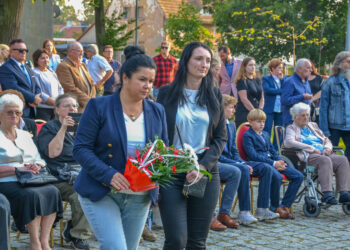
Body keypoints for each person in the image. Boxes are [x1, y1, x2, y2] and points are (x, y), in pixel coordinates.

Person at [73, 45, 168, 250]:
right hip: (101, 190)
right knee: (116, 247)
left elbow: (162, 152)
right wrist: (109, 174)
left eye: (151, 81)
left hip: (140, 195)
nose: (148, 86)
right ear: (125, 77)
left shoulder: (157, 110)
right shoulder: (98, 106)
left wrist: (164, 178)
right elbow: (80, 149)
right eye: (142, 80)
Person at [157, 42, 226, 249]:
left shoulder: (214, 95)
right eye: (198, 59)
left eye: (207, 60)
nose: (204, 64)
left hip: (203, 173)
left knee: (197, 242)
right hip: (171, 172)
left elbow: (220, 138)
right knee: (177, 239)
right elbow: (158, 134)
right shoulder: (166, 93)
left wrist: (203, 167)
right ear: (185, 61)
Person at [0, 92, 63, 250]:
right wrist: (17, 169)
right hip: (7, 181)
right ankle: (34, 242)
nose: (14, 115)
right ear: (0, 114)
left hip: (31, 178)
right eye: (9, 112)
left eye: (17, 112)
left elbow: (39, 158)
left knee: (53, 192)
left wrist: (38, 165)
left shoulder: (24, 135)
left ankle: (44, 241)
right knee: (32, 195)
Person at [210, 95, 277, 231]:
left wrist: (241, 161)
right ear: (222, 108)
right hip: (220, 162)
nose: (234, 110)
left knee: (265, 168)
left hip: (234, 161)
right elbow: (217, 155)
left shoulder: (231, 125)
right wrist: (241, 165)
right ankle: (244, 212)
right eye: (231, 107)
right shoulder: (214, 125)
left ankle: (262, 209)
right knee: (243, 169)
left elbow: (234, 150)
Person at [37, 94, 92, 249]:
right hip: (58, 179)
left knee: (103, 188)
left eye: (74, 105)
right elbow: (53, 153)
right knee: (82, 194)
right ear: (57, 110)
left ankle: (74, 227)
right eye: (67, 105)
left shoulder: (82, 129)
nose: (72, 108)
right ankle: (77, 236)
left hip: (80, 175)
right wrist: (63, 128)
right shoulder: (50, 128)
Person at [284, 102, 350, 204]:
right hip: (309, 157)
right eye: (303, 115)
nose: (306, 117)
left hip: (324, 154)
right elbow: (288, 142)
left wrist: (328, 147)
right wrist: (311, 148)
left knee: (342, 160)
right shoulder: (291, 128)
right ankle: (327, 194)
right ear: (295, 117)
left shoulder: (313, 125)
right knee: (325, 160)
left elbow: (325, 139)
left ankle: (344, 193)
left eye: (307, 115)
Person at [243, 109, 304, 219]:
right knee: (276, 177)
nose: (262, 124)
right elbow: (253, 155)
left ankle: (284, 206)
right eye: (258, 122)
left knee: (298, 176)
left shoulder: (266, 134)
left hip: (274, 162)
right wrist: (274, 163)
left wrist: (280, 161)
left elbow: (272, 151)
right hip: (260, 164)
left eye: (263, 121)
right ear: (251, 122)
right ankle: (274, 206)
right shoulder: (248, 135)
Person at [0, 39, 42, 118]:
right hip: (17, 112)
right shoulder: (5, 68)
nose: (24, 52)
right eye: (20, 50)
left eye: (25, 50)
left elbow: (36, 86)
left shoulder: (27, 67)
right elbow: (13, 88)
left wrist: (37, 97)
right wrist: (32, 98)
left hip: (32, 110)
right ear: (11, 51)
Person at [320, 51, 350, 162]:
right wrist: (324, 131)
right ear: (339, 64)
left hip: (349, 126)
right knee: (330, 156)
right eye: (348, 62)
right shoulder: (329, 83)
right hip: (334, 127)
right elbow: (323, 108)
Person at [56, 41, 96, 112]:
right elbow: (69, 89)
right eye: (79, 51)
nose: (82, 54)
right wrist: (89, 101)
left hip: (89, 107)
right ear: (70, 51)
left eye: (82, 51)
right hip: (76, 109)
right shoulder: (63, 66)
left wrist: (93, 101)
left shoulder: (82, 65)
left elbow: (91, 84)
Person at [32, 49, 64, 121]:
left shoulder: (51, 72)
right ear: (36, 60)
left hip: (56, 108)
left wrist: (60, 102)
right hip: (43, 109)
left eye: (47, 57)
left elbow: (60, 88)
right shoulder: (35, 73)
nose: (45, 60)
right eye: (42, 58)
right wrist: (53, 102)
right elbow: (38, 90)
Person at [281, 58, 312, 126]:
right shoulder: (290, 82)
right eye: (308, 68)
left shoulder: (306, 82)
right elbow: (284, 100)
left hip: (306, 122)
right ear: (300, 68)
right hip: (292, 123)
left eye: (311, 68)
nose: (311, 70)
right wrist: (302, 97)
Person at [262, 58, 286, 149]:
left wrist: (282, 80)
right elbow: (268, 90)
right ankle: (266, 148)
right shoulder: (266, 78)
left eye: (281, 68)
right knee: (267, 129)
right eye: (279, 68)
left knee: (279, 130)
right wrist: (281, 91)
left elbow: (287, 90)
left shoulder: (284, 79)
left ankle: (277, 149)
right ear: (272, 68)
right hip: (270, 108)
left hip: (280, 109)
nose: (281, 70)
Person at [235, 57, 264, 128]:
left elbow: (262, 97)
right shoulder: (241, 81)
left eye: (254, 65)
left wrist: (260, 110)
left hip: (257, 113)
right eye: (250, 65)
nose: (253, 67)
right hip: (245, 113)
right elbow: (244, 99)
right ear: (244, 67)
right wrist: (254, 112)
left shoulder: (257, 80)